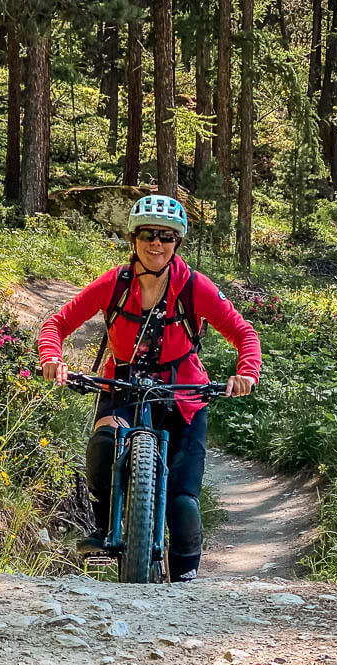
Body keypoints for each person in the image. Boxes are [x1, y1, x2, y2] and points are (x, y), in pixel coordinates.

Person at [38, 194, 261, 582]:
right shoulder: (115, 283)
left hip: (184, 393)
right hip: (122, 383)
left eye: (166, 236)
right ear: (133, 239)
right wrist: (52, 359)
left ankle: (186, 579)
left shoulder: (195, 286)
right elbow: (56, 323)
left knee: (182, 499)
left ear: (177, 243)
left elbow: (244, 333)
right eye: (147, 235)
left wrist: (247, 372)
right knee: (104, 445)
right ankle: (105, 527)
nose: (156, 243)